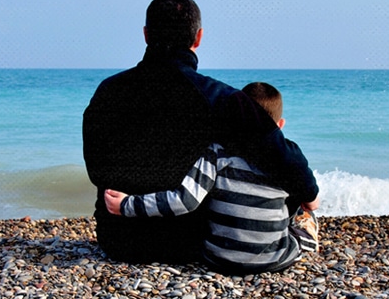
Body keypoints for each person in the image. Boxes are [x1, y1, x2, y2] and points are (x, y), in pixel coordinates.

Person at [83, 0, 318, 263]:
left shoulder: (107, 92)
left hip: (118, 240)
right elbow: (284, 156)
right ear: (198, 37)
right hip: (191, 243)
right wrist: (309, 195)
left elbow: (96, 170)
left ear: (146, 35)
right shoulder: (221, 99)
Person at [104, 82, 320, 274]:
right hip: (273, 259)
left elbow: (183, 200)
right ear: (280, 125)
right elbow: (313, 202)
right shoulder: (289, 158)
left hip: (219, 258)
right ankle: (305, 230)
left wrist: (126, 204)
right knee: (302, 218)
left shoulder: (217, 152)